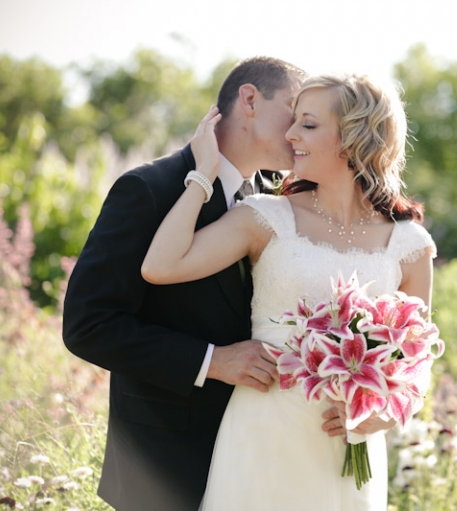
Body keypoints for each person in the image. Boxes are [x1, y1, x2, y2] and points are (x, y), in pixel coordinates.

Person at [142, 74, 437, 510]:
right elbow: (160, 267)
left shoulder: (408, 243)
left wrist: (378, 417)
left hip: (345, 444)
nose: (290, 134)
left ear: (354, 136)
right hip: (262, 429)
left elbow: (416, 363)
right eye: (294, 121)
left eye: (309, 124)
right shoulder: (265, 216)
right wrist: (201, 175)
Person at [62, 56, 307, 511]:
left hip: (258, 458)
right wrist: (213, 362)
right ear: (249, 99)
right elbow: (88, 325)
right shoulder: (149, 189)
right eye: (295, 109)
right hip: (163, 466)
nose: (299, 131)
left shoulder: (278, 204)